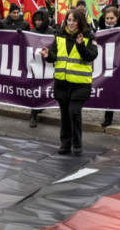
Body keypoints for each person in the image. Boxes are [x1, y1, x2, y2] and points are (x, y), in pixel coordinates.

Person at [39, 9, 98, 155]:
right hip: (62, 83)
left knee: (74, 112)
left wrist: (80, 45)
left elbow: (91, 56)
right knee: (65, 115)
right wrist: (48, 56)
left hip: (80, 83)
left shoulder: (88, 36)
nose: (71, 23)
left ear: (80, 22)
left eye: (74, 20)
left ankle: (77, 144)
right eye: (69, 20)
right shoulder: (59, 35)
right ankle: (65, 144)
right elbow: (54, 56)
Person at [97, 7, 120, 128]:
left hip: (118, 62)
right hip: (104, 62)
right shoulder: (99, 29)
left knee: (113, 89)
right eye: (107, 18)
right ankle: (107, 114)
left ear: (117, 18)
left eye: (112, 18)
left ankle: (109, 114)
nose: (109, 21)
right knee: (106, 87)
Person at [28, 8, 54, 128]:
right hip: (35, 66)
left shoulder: (52, 32)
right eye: (36, 20)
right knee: (35, 89)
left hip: (48, 65)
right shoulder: (31, 32)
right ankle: (33, 115)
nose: (38, 23)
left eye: (40, 20)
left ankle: (41, 107)